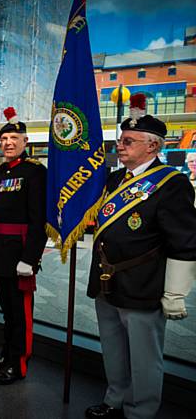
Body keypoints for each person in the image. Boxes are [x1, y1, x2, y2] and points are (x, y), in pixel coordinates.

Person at [85, 94, 196, 419]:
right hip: (108, 283)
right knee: (114, 350)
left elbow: (186, 242)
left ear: (153, 146)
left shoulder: (172, 183)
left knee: (145, 357)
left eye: (129, 141)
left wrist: (175, 293)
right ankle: (115, 399)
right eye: (121, 139)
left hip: (143, 285)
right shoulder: (115, 179)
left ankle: (140, 411)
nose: (121, 145)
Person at [0, 107, 47, 385]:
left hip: (20, 256)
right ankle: (7, 354)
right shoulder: (1, 172)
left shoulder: (34, 173)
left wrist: (30, 259)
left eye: (14, 139)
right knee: (7, 312)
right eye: (4, 139)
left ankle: (19, 364)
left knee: (21, 314)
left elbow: (38, 220)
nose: (8, 143)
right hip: (0, 254)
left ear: (25, 142)